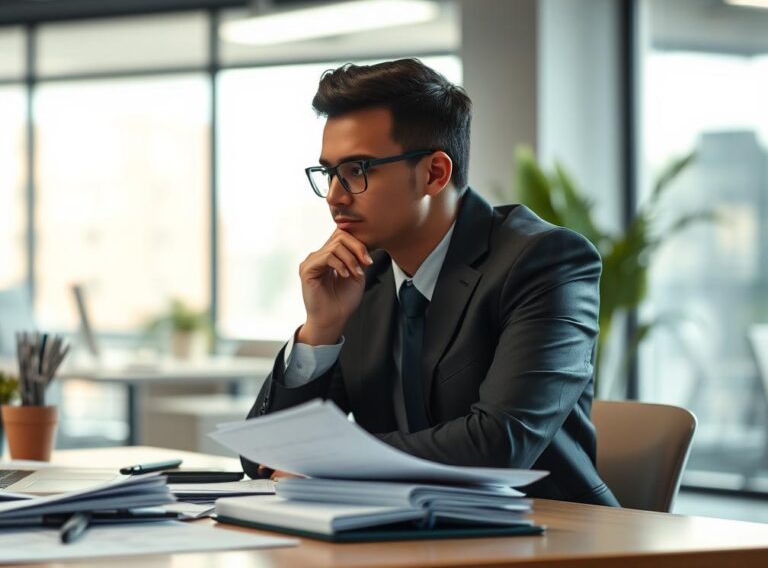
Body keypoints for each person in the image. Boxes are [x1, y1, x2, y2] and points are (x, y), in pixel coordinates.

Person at [241, 58, 618, 506]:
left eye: (358, 170)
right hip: (395, 529)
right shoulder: (363, 274)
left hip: (548, 535)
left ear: (435, 173)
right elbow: (264, 456)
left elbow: (499, 445)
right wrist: (319, 330)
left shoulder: (544, 261)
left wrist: (328, 461)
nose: (336, 196)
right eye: (329, 172)